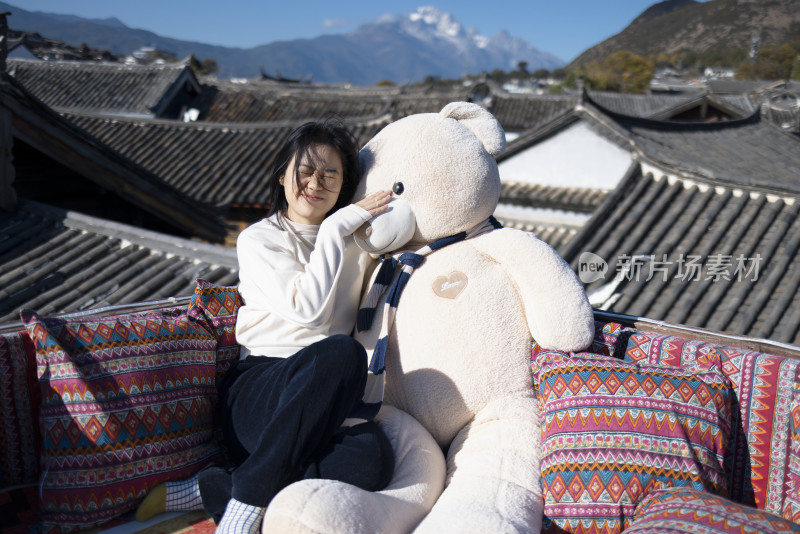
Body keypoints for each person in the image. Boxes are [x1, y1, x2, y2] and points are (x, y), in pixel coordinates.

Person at [136, 120, 394, 533]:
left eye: (331, 174)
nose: (316, 182)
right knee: (339, 351)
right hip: (259, 391)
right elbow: (307, 309)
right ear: (282, 176)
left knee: (370, 462)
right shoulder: (259, 239)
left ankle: (217, 488)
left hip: (318, 401)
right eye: (305, 170)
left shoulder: (355, 242)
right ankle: (248, 502)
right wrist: (333, 227)